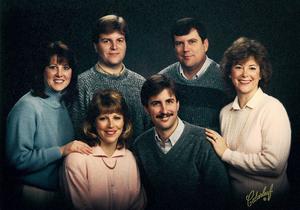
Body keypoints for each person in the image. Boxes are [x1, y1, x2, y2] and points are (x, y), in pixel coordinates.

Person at [205, 37, 291, 209]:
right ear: (230, 73)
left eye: (252, 68)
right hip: (236, 203)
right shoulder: (225, 112)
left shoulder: (272, 108)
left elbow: (274, 165)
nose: (245, 74)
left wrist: (227, 154)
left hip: (271, 202)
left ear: (261, 73)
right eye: (238, 67)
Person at [5, 41, 92, 210]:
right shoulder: (27, 107)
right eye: (53, 67)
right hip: (34, 195)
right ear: (42, 70)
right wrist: (61, 150)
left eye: (66, 67)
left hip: (60, 195)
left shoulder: (63, 104)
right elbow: (17, 160)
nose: (60, 73)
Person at [133, 74, 230, 210]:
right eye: (156, 103)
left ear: (178, 104)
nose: (164, 110)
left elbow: (221, 199)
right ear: (146, 108)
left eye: (169, 101)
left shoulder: (204, 142)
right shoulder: (141, 145)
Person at [72, 14, 149, 146]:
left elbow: (149, 133)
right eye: (106, 41)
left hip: (136, 163)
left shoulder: (141, 83)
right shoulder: (82, 84)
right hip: (93, 162)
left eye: (120, 40)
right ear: (96, 46)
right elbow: (78, 134)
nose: (114, 47)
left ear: (126, 44)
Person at [62, 89, 146, 210]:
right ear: (93, 123)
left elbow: (138, 205)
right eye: (103, 118)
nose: (111, 125)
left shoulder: (130, 158)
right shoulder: (76, 160)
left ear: (124, 122)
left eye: (117, 118)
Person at [159, 17, 230, 131]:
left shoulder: (225, 80)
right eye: (179, 43)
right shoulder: (163, 79)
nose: (186, 49)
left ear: (205, 44)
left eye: (192, 42)